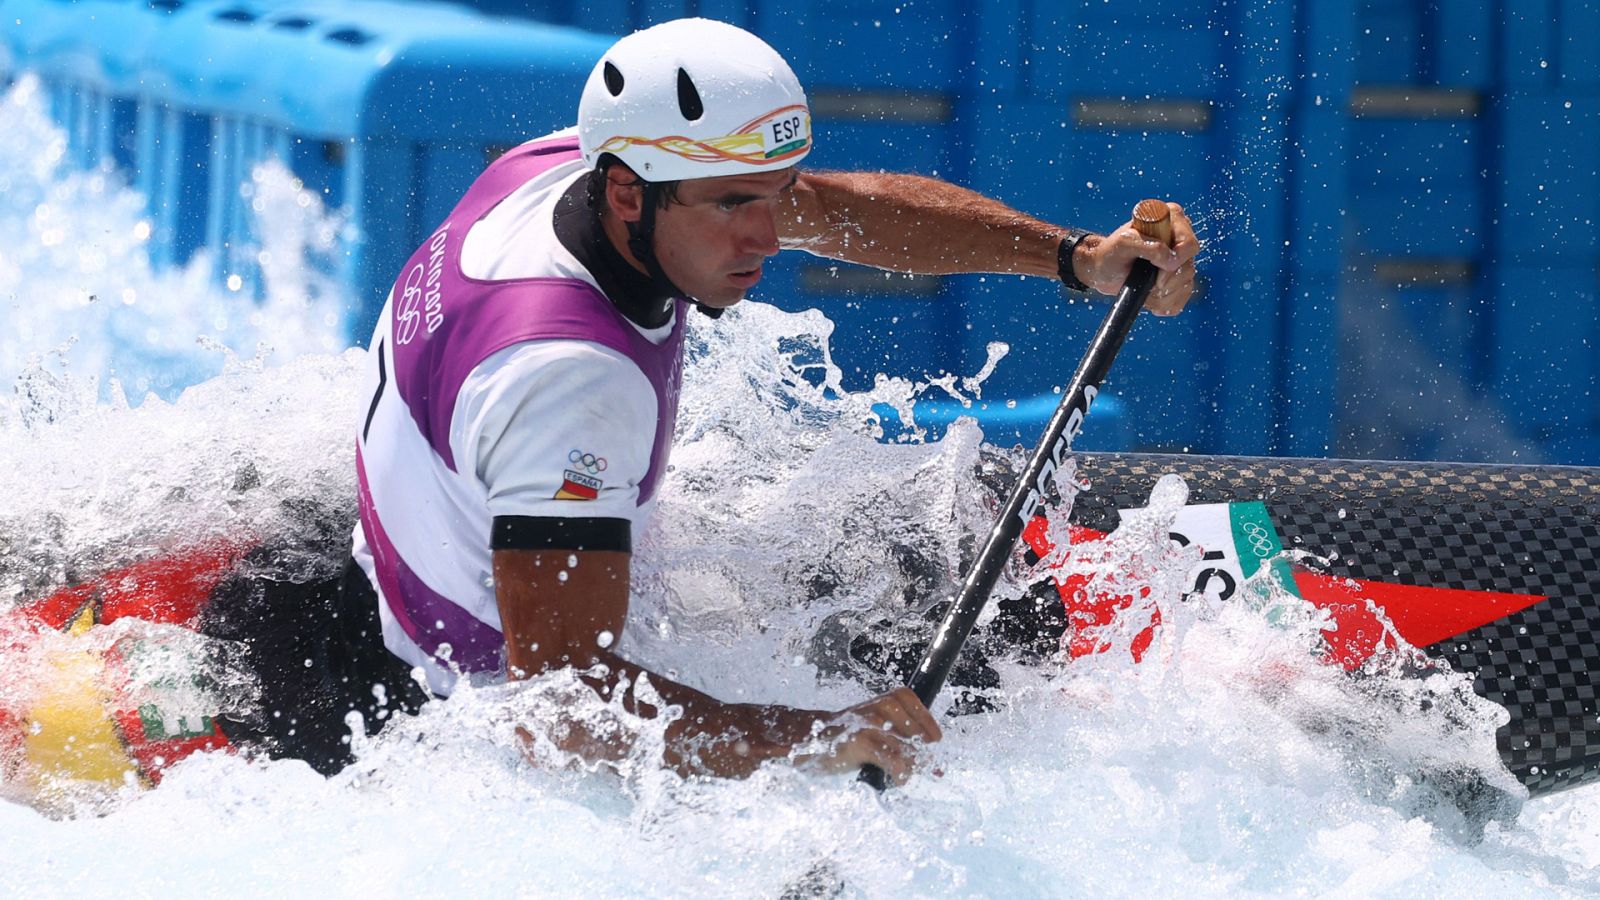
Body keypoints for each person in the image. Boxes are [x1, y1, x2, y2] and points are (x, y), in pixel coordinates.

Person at [320, 17, 1200, 786]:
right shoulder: (571, 381)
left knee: (940, 521)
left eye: (775, 193)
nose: (771, 236)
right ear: (626, 193)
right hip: (463, 711)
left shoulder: (569, 169)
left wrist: (1077, 259)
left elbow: (836, 211)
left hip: (458, 567)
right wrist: (812, 740)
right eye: (735, 205)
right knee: (933, 598)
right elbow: (559, 709)